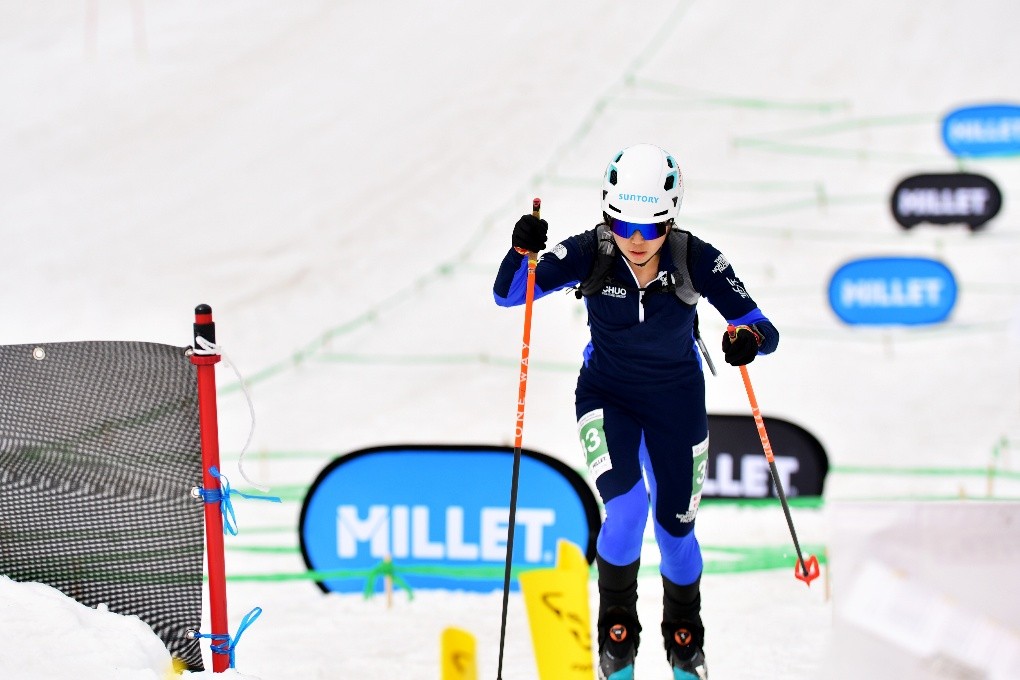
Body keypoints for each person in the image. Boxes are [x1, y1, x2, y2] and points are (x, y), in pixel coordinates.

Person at [492, 143, 779, 680]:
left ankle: (685, 643)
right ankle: (617, 644)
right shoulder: (591, 251)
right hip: (608, 396)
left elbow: (763, 328)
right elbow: (510, 295)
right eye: (624, 225)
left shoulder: (695, 257)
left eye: (653, 227)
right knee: (626, 510)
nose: (638, 240)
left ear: (672, 219)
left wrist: (748, 340)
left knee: (675, 532)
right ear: (608, 216)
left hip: (677, 404)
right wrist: (520, 250)